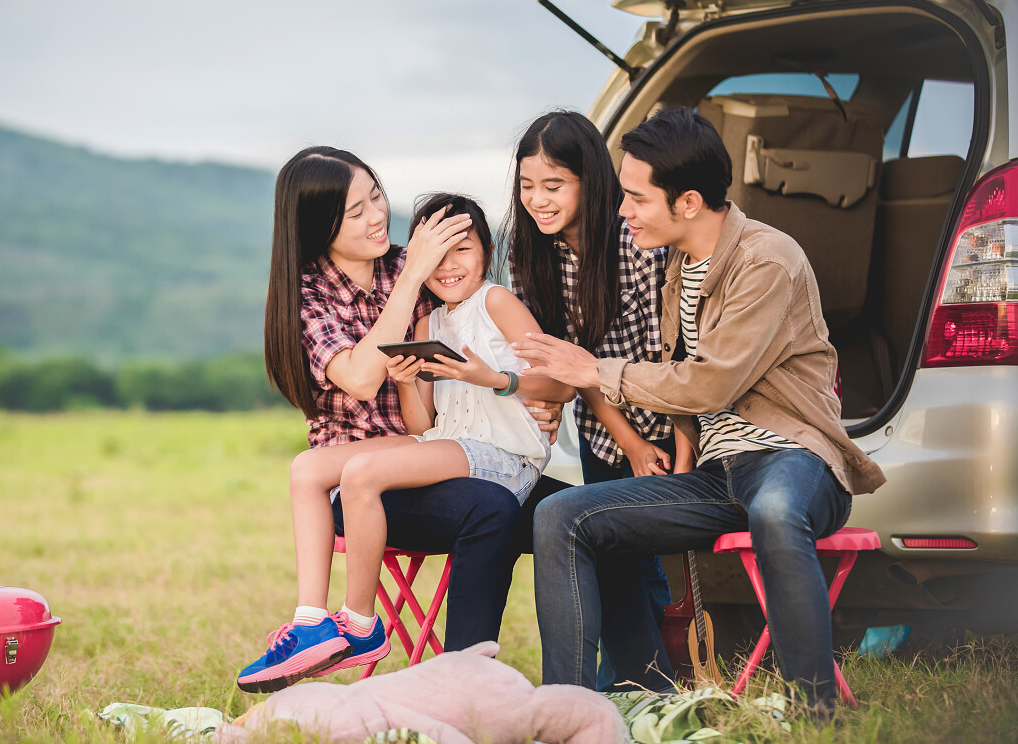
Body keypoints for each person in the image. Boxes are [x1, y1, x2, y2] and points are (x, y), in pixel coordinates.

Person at [515, 108, 886, 714]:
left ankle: (819, 710)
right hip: (720, 475)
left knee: (773, 509)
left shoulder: (766, 260)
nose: (623, 210)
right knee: (560, 516)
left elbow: (711, 380)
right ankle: (570, 709)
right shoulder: (680, 266)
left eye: (636, 197)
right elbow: (688, 379)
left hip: (791, 459)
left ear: (688, 202)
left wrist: (593, 371)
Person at [239, 148, 564, 693]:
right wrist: (412, 275)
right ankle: (319, 624)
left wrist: (531, 392)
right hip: (373, 473)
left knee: (568, 506)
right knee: (309, 468)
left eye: (377, 197)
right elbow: (362, 378)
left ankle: (472, 672)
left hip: (434, 442)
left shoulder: (425, 264)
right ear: (318, 227)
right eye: (354, 212)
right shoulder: (316, 293)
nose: (375, 217)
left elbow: (489, 338)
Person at [502, 110, 689, 688]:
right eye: (528, 186)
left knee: (647, 550)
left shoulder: (637, 244)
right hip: (606, 423)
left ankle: (649, 672)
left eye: (554, 185)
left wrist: (676, 451)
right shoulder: (535, 255)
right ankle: (644, 676)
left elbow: (675, 358)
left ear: (591, 179)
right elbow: (571, 366)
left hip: (671, 406)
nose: (539, 200)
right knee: (618, 553)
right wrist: (627, 441)